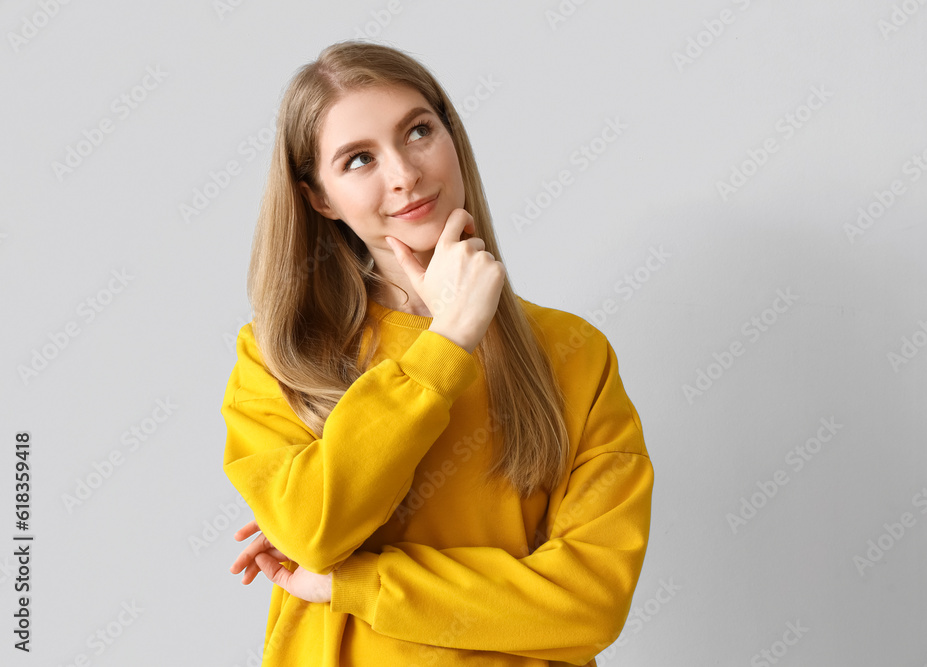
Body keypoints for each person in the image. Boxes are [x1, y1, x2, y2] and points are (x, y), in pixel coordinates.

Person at [220, 39, 654, 667]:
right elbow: (314, 530)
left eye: (418, 131)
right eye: (358, 159)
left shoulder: (575, 353)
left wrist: (352, 582)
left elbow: (590, 603)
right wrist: (447, 343)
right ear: (319, 198)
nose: (403, 174)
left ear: (452, 136)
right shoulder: (279, 355)